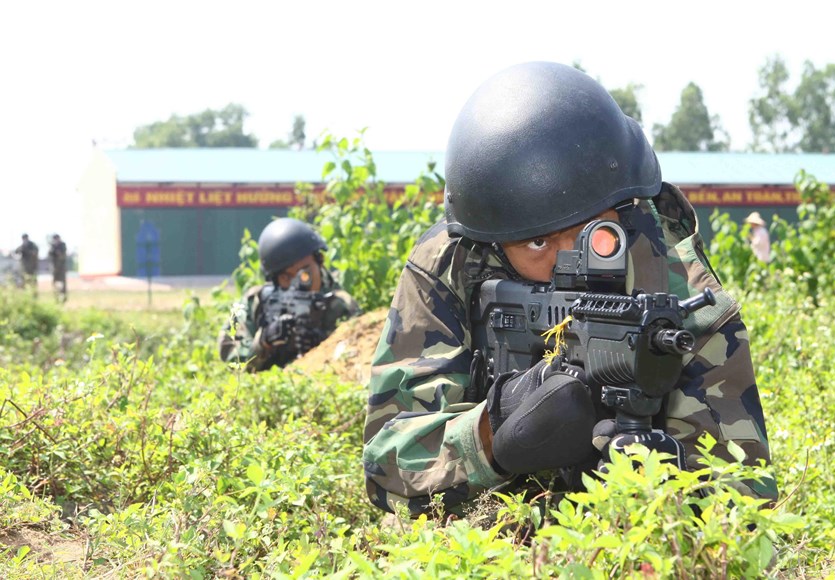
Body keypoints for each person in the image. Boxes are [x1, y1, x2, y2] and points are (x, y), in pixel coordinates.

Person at [363, 62, 777, 516]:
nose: (567, 258)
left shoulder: (682, 299)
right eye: (536, 242)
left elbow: (743, 511)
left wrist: (652, 482)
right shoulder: (452, 264)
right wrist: (495, 430)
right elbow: (387, 468)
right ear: (493, 239)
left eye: (592, 232)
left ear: (623, 204)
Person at [219, 218, 360, 372]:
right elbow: (230, 354)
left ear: (320, 262)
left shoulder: (341, 304)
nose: (297, 283)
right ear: (274, 279)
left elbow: (359, 356)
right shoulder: (257, 301)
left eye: (305, 274)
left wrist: (324, 342)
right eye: (286, 277)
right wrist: (263, 342)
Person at [48, 234, 68, 302]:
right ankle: (56, 298)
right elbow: (50, 254)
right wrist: (52, 247)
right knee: (55, 283)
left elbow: (62, 255)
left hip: (61, 268)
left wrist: (56, 249)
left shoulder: (62, 245)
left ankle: (64, 297)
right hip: (55, 268)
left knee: (63, 284)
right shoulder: (52, 246)